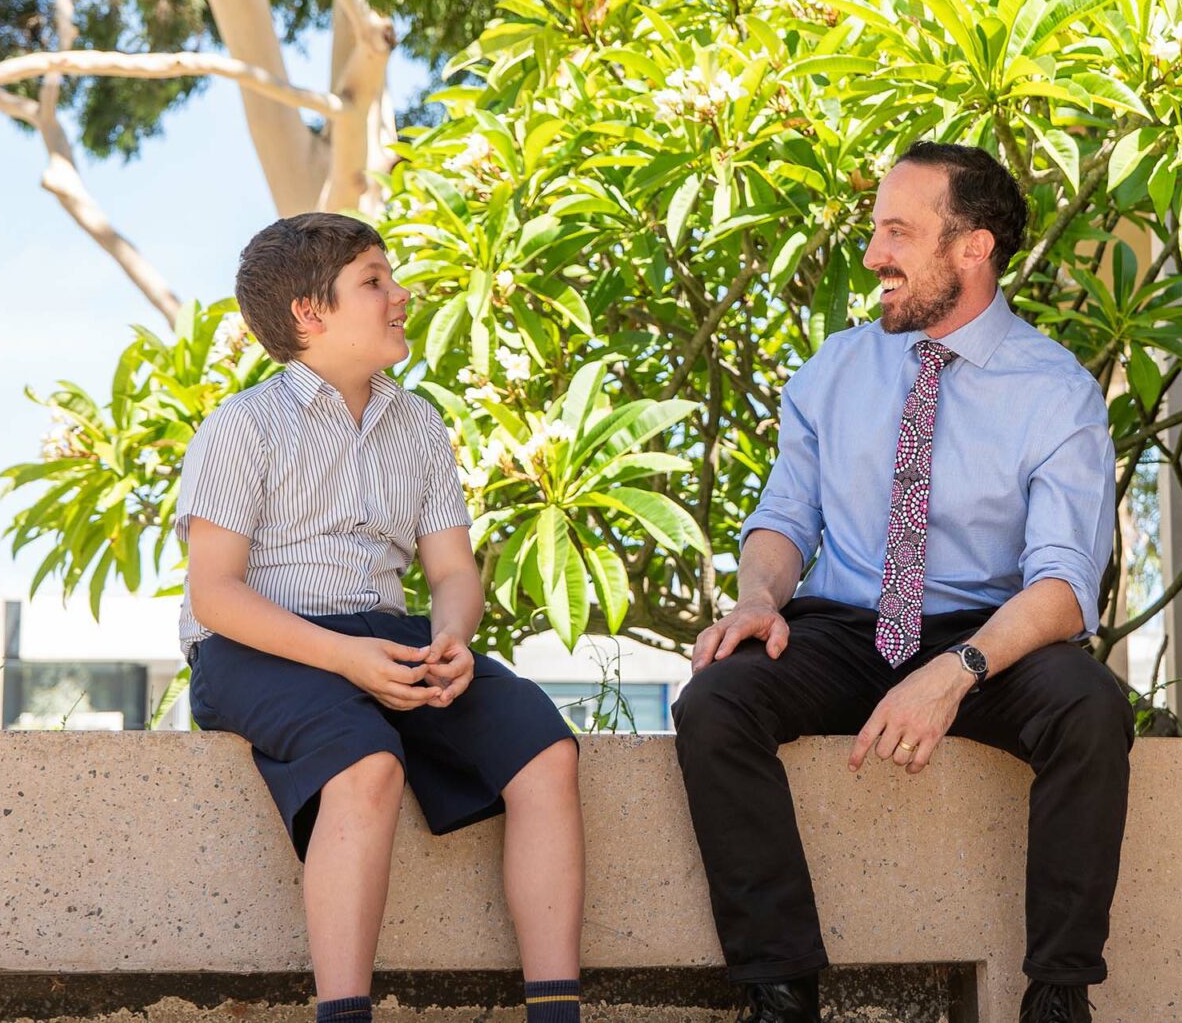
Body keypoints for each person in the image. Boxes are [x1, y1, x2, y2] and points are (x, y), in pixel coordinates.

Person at [673, 142, 1129, 1023]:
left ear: (973, 248)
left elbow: (1065, 588)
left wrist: (954, 670)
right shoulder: (835, 369)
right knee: (716, 702)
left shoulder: (1055, 392)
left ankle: (1059, 995)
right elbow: (783, 519)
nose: (874, 254)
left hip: (985, 635)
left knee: (1090, 705)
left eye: (898, 232)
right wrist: (759, 600)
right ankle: (779, 991)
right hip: (845, 629)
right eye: (875, 230)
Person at [175, 212, 585, 1023]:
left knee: (545, 751)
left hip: (389, 639)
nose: (401, 295)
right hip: (256, 645)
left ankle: (556, 1013)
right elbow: (213, 595)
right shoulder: (241, 426)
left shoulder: (420, 426)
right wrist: (343, 659)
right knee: (366, 764)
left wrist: (452, 638)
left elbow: (451, 571)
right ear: (308, 312)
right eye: (375, 280)